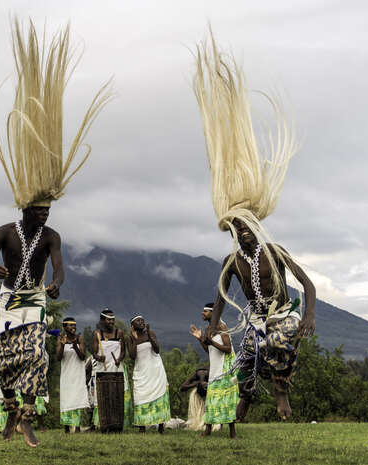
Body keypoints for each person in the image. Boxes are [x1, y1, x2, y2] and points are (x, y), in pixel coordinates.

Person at [0, 18, 111, 447]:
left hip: (34, 299)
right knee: (0, 363)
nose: (45, 215)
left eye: (48, 209)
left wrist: (55, 284)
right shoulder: (4, 231)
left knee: (37, 353)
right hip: (7, 300)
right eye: (39, 210)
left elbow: (60, 269)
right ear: (25, 206)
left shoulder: (52, 235)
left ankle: (28, 417)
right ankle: (9, 416)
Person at [192, 29, 316, 420]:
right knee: (244, 362)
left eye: (248, 226)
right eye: (238, 227)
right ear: (231, 229)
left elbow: (308, 283)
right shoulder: (232, 263)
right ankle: (242, 408)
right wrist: (211, 328)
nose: (244, 231)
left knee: (279, 341)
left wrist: (309, 315)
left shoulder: (273, 251)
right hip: (256, 322)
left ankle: (282, 397)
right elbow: (218, 300)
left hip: (282, 316)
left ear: (256, 225)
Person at [190, 304, 238, 438]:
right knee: (211, 398)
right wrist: (200, 339)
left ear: (213, 313)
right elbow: (208, 350)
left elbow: (228, 348)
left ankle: (232, 432)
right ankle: (208, 430)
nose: (202, 313)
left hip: (225, 368)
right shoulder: (207, 329)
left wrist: (212, 342)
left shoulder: (222, 327)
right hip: (215, 368)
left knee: (227, 399)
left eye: (205, 311)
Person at [127, 316, 170, 433]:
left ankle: (161, 426)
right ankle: (142, 427)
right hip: (141, 371)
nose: (141, 322)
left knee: (159, 394)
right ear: (132, 325)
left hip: (155, 369)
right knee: (141, 396)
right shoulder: (130, 337)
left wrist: (150, 336)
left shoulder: (150, 333)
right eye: (138, 321)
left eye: (142, 320)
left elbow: (157, 350)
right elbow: (132, 356)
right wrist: (135, 340)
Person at [91, 309, 131, 429]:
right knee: (103, 397)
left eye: (113, 319)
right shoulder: (97, 334)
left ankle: (117, 423)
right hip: (102, 370)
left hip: (116, 369)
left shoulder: (119, 333)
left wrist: (119, 359)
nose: (111, 322)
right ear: (103, 320)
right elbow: (94, 352)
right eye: (109, 319)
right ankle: (102, 424)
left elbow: (123, 351)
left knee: (116, 396)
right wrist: (99, 357)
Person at [57, 317, 89, 433]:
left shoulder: (79, 338)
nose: (73, 327)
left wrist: (75, 346)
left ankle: (77, 428)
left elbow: (83, 357)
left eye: (74, 325)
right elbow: (58, 357)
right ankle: (66, 427)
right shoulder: (61, 338)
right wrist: (62, 345)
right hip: (66, 375)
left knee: (76, 398)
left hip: (77, 374)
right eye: (70, 325)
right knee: (66, 399)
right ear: (65, 327)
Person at [180, 367, 210, 431]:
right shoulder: (198, 373)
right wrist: (195, 384)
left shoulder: (213, 375)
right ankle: (200, 422)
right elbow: (182, 387)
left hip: (209, 395)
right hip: (198, 396)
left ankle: (207, 423)